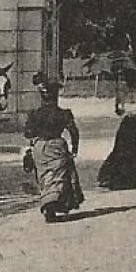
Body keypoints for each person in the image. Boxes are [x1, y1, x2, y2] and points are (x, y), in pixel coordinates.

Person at [23, 80, 83, 222]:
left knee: (45, 178)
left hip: (40, 148)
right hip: (57, 147)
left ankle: (48, 205)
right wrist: (75, 148)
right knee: (59, 177)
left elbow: (27, 133)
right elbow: (74, 131)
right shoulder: (64, 114)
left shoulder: (34, 114)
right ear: (56, 96)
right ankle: (57, 203)